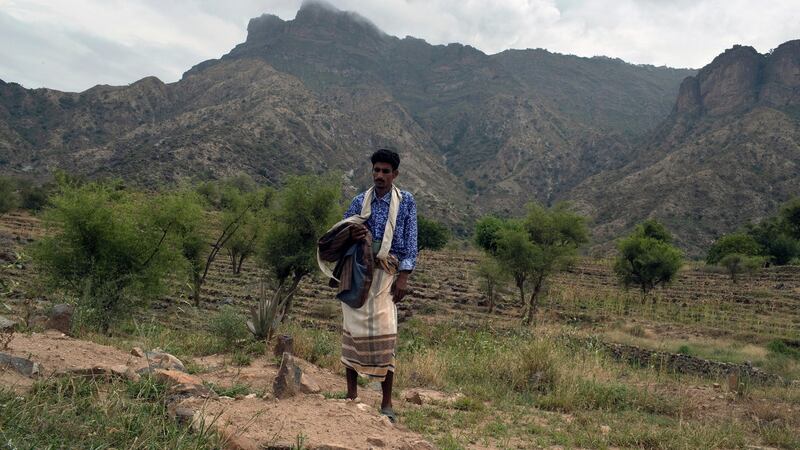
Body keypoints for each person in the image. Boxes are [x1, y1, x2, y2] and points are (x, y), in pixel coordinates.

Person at [340, 148, 418, 423]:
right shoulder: (360, 200)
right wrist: (353, 231)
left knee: (387, 334)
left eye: (386, 171)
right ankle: (351, 394)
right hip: (359, 274)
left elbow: (410, 241)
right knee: (352, 329)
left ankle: (386, 402)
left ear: (395, 174)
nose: (380, 175)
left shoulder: (406, 202)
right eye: (376, 170)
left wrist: (404, 277)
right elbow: (342, 232)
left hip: (386, 275)